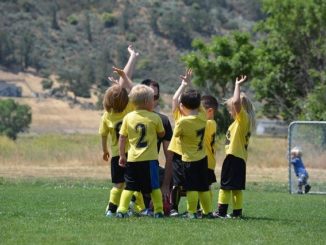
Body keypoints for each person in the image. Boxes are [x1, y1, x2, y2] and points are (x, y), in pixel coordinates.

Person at [99, 46, 145, 217]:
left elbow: (103, 135)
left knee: (118, 184)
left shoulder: (107, 115)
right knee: (134, 183)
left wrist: (104, 151)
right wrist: (131, 59)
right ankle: (137, 208)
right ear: (127, 100)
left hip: (116, 155)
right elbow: (128, 86)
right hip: (131, 153)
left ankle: (111, 209)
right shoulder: (130, 109)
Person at [169, 68, 213, 219]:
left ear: (182, 106)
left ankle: (191, 212)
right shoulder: (203, 116)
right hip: (202, 157)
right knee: (203, 187)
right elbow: (197, 104)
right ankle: (207, 212)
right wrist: (188, 86)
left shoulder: (181, 121)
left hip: (188, 159)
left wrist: (183, 86)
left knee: (191, 188)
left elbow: (176, 135)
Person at [116, 84, 165, 218]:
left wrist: (121, 155)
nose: (154, 102)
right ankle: (159, 211)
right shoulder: (155, 118)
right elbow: (162, 134)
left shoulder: (128, 118)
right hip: (149, 160)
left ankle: (121, 210)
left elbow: (122, 137)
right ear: (146, 102)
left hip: (133, 159)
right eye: (152, 99)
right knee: (154, 187)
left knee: (130, 187)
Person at [214, 75, 255, 219]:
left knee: (225, 186)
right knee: (236, 188)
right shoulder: (243, 121)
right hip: (240, 159)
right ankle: (237, 213)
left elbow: (237, 101)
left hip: (233, 157)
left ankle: (221, 212)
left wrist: (237, 85)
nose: (230, 111)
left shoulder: (242, 119)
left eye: (231, 109)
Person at [138, 79, 173, 215]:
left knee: (172, 174)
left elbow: (169, 155)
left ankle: (166, 205)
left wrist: (165, 185)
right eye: (150, 95)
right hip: (134, 168)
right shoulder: (130, 117)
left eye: (156, 96)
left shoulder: (162, 120)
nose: (153, 100)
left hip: (152, 168)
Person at [201, 95, 219, 203]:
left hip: (206, 162)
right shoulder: (212, 123)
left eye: (200, 110)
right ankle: (203, 209)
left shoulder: (209, 123)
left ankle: (205, 210)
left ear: (210, 111)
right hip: (209, 161)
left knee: (205, 188)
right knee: (205, 187)